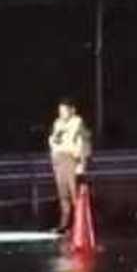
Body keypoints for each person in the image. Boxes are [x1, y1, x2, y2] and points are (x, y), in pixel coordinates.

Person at [48, 97, 92, 233]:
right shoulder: (57, 123)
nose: (61, 113)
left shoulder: (77, 122)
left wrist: (81, 163)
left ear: (72, 110)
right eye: (60, 111)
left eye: (64, 111)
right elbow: (53, 140)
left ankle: (79, 225)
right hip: (59, 159)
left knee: (75, 194)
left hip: (71, 158)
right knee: (63, 194)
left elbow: (84, 142)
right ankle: (64, 224)